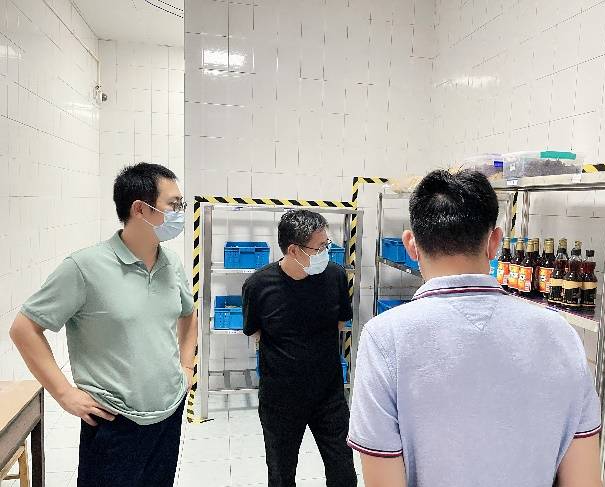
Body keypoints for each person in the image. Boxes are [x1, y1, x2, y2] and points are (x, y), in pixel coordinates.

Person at [347, 170, 602, 487]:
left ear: (411, 245)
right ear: (495, 242)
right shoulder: (560, 334)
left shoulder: (385, 337)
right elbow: (584, 480)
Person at [10, 163, 197, 487]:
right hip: (114, 420)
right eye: (173, 204)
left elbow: (187, 313)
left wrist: (186, 366)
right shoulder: (85, 267)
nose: (180, 212)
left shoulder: (172, 264)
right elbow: (24, 329)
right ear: (140, 209)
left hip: (168, 413)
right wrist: (64, 393)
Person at [242, 209, 357, 487]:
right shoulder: (259, 285)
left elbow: (340, 321)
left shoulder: (335, 276)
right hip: (280, 397)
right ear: (293, 250)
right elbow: (255, 330)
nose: (324, 253)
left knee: (343, 470)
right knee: (281, 474)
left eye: (326, 245)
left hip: (328, 393)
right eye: (318, 248)